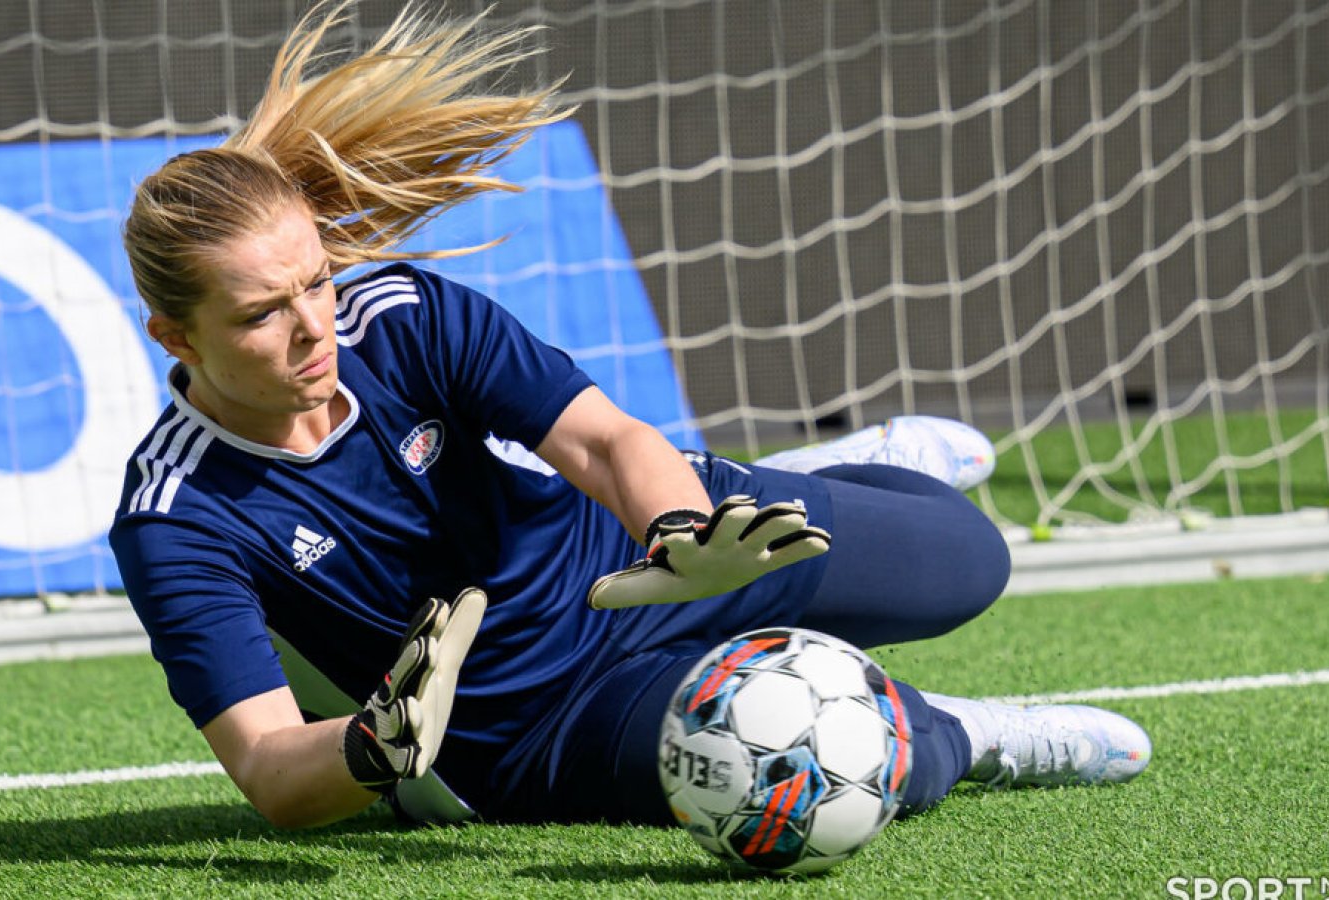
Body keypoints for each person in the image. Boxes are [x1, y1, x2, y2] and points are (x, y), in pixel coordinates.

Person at [110, 0, 1151, 832]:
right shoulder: (175, 518)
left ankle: (782, 480)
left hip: (628, 552)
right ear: (177, 338)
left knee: (969, 559)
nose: (310, 326)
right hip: (534, 725)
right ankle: (975, 734)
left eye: (315, 283)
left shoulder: (402, 318)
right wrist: (371, 747)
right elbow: (264, 768)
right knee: (846, 759)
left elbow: (605, 441)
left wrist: (678, 536)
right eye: (260, 313)